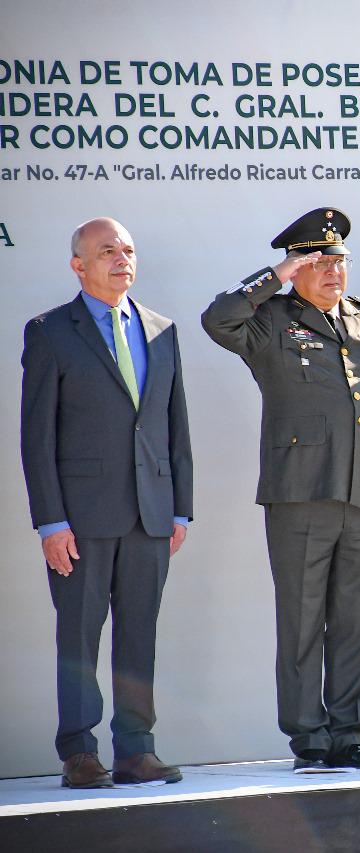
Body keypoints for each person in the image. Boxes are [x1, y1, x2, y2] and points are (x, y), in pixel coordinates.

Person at [202, 207, 360, 772]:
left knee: (357, 619)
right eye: (317, 260)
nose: (333, 270)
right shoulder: (270, 321)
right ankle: (308, 735)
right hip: (301, 491)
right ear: (296, 266)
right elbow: (219, 321)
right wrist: (276, 276)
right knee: (303, 617)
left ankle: (350, 732)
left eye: (338, 260)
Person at [20, 217, 192, 788]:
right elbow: (36, 435)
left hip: (150, 513)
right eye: (106, 251)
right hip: (81, 518)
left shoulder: (162, 330)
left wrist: (180, 508)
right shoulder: (49, 332)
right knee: (80, 635)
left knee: (139, 633)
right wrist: (50, 520)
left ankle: (136, 750)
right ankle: (79, 752)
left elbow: (175, 426)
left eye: (128, 250)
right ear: (78, 265)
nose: (121, 259)